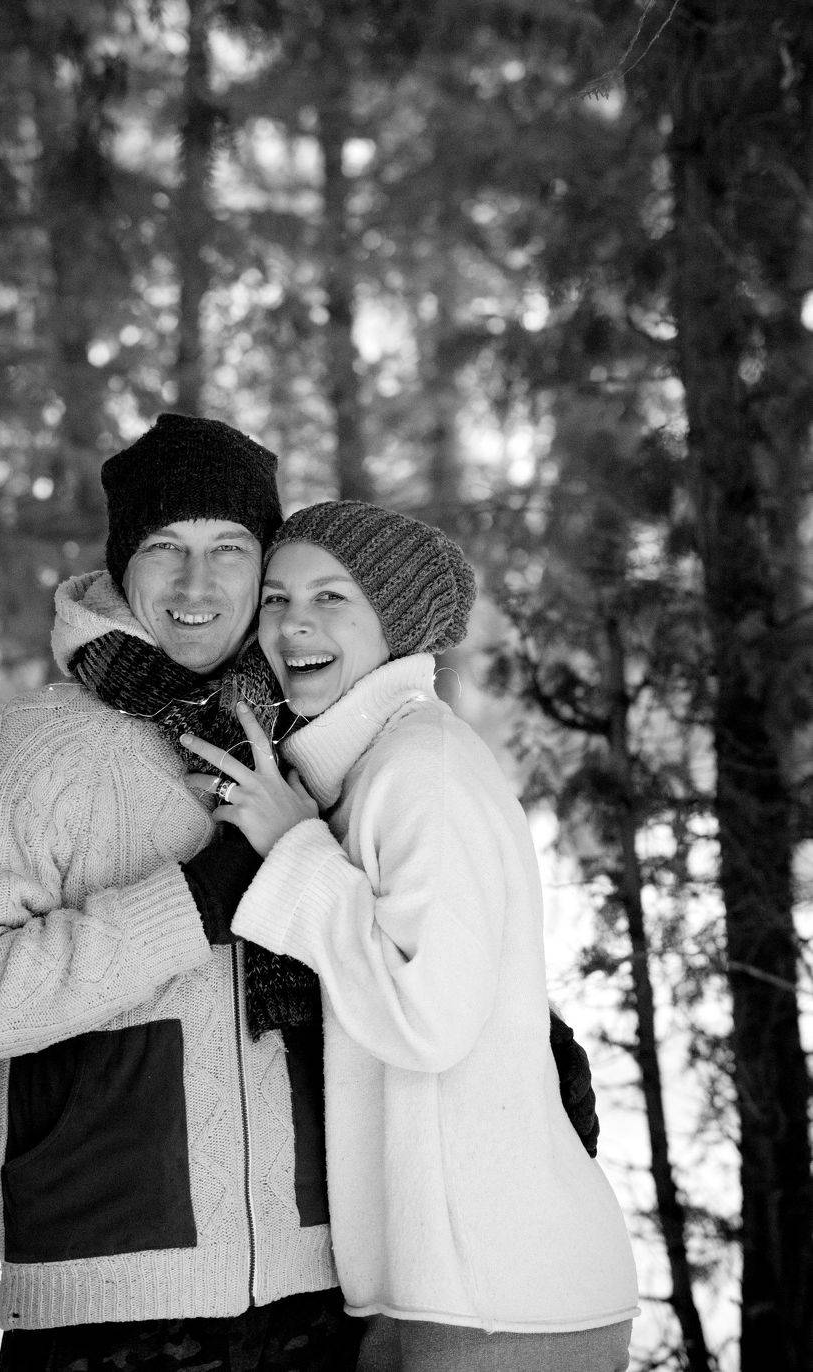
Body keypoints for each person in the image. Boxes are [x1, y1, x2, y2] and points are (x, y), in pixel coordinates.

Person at [0, 414, 356, 1372]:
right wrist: (193, 904)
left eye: (229, 548)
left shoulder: (317, 735)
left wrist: (523, 1043)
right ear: (120, 562)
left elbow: (393, 938)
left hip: (323, 1289)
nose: (197, 585)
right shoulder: (41, 746)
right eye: (164, 547)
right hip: (107, 1306)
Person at [181, 499, 640, 1372]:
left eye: (331, 597)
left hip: (501, 1299)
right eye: (276, 598)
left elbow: (428, 1020)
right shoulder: (374, 771)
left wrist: (294, 850)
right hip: (448, 1290)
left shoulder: (421, 771)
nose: (293, 623)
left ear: (393, 622)